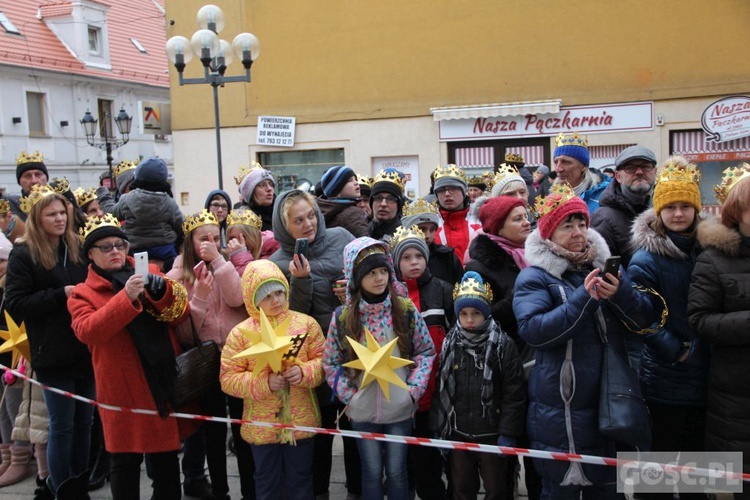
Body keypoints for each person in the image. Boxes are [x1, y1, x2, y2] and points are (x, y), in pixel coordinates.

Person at [512, 183, 662, 499]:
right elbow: (535, 331)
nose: (578, 231)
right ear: (549, 232)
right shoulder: (535, 277)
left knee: (610, 487)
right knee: (562, 488)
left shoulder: (605, 267)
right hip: (562, 405)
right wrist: (584, 298)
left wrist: (620, 293)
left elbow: (643, 321)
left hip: (611, 397)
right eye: (567, 225)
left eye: (582, 223)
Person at [67, 213, 194, 500]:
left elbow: (182, 315)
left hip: (157, 387)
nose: (115, 251)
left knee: (165, 462)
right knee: (123, 464)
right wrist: (125, 299)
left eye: (119, 245)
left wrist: (163, 294)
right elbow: (88, 332)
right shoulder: (82, 293)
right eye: (106, 247)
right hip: (121, 392)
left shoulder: (148, 271)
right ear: (90, 255)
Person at [323, 237, 436, 500]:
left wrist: (413, 391)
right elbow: (330, 362)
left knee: (397, 472)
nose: (379, 278)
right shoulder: (343, 317)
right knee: (371, 472)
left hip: (400, 410)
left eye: (383, 271)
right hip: (363, 413)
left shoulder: (405, 310)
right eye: (371, 273)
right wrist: (350, 396)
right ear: (356, 277)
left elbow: (425, 351)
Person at [268, 189, 360, 499]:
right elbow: (289, 318)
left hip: (351, 351)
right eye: (298, 220)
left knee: (354, 429)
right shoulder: (277, 263)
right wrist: (302, 281)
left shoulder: (341, 237)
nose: (309, 224)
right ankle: (319, 492)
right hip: (312, 359)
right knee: (318, 434)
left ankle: (357, 489)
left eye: (311, 215)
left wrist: (352, 287)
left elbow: (374, 276)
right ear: (284, 226)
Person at [628, 158, 709, 500]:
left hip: (708, 376)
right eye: (671, 206)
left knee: (700, 473)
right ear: (659, 210)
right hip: (664, 378)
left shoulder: (710, 249)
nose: (678, 214)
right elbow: (639, 318)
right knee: (657, 472)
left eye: (685, 206)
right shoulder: (645, 259)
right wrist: (676, 350)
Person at [4, 184, 93, 496]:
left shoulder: (77, 248)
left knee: (85, 424)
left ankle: (78, 485)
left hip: (84, 348)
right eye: (51, 214)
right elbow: (14, 304)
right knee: (62, 425)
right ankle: (60, 488)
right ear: (37, 219)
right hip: (51, 352)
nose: (59, 219)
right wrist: (61, 295)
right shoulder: (23, 253)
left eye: (62, 213)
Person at [221, 259, 325, 499]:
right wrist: (263, 383)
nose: (276, 300)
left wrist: (304, 372)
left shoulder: (306, 324)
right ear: (253, 299)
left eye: (279, 292)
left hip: (300, 420)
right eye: (267, 296)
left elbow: (323, 362)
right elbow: (228, 378)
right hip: (262, 425)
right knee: (267, 480)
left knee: (300, 478)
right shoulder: (241, 334)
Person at [167, 210, 250, 500]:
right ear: (189, 243)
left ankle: (250, 489)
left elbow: (237, 298)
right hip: (206, 362)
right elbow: (185, 333)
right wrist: (199, 295)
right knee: (212, 432)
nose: (211, 243)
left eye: (216, 238)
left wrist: (219, 260)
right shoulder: (177, 276)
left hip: (237, 357)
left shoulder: (227, 265)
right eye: (204, 239)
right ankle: (220, 491)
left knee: (242, 429)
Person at [465, 195, 541, 499]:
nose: (526, 223)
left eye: (526, 216)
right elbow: (479, 318)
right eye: (517, 218)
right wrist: (524, 292)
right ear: (498, 226)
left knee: (538, 449)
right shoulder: (480, 267)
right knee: (508, 447)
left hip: (537, 360)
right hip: (504, 367)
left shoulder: (536, 254)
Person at [434, 271, 525, 500]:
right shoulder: (450, 344)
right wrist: (440, 428)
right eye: (463, 314)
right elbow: (441, 389)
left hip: (492, 434)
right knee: (462, 488)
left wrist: (507, 432)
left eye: (476, 313)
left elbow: (513, 394)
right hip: (459, 431)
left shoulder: (503, 345)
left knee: (496, 490)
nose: (470, 320)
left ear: (486, 313)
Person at [688, 162, 750, 495]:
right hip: (736, 397)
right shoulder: (713, 260)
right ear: (737, 213)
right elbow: (700, 320)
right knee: (736, 482)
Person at [390, 226, 453, 499]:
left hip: (440, 390)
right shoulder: (390, 298)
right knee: (415, 461)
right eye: (406, 257)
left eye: (419, 256)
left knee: (445, 460)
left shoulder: (444, 291)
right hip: (405, 392)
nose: (414, 262)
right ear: (396, 262)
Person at [97, 157, 184, 272]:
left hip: (135, 251)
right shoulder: (168, 202)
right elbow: (181, 226)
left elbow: (111, 213)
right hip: (165, 251)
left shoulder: (127, 199)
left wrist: (103, 193)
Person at [590, 145, 658, 267]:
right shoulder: (603, 218)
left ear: (655, 172)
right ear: (618, 176)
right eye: (630, 168)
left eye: (645, 166)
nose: (639, 172)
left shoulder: (665, 210)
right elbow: (602, 271)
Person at [401, 199, 463, 286]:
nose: (427, 235)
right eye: (422, 229)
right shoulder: (396, 258)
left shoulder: (447, 257)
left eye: (432, 230)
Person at [432, 164, 481, 265]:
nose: (447, 194)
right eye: (441, 190)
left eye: (453, 188)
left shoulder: (481, 218)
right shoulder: (431, 223)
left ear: (464, 191)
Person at [552, 132, 609, 213]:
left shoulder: (604, 197)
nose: (558, 169)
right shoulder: (552, 197)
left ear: (584, 166)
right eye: (555, 162)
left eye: (565, 162)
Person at [317, 165, 369, 237]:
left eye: (355, 179)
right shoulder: (353, 213)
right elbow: (365, 243)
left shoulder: (320, 210)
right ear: (337, 191)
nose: (356, 183)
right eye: (350, 180)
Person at [225, 209, 279, 275]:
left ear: (254, 237)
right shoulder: (229, 258)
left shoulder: (270, 255)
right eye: (232, 238)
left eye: (243, 237)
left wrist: (240, 256)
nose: (237, 244)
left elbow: (254, 279)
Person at [5, 151, 50, 221]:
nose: (34, 181)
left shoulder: (61, 204)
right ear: (19, 182)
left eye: (38, 174)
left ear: (46, 178)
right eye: (27, 176)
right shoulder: (10, 208)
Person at [368, 168, 407, 240]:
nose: (383, 204)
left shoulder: (404, 237)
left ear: (398, 205)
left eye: (390, 199)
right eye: (379, 198)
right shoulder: (361, 233)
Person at [236, 163, 276, 231]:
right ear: (251, 192)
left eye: (271, 184)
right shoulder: (243, 221)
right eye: (263, 185)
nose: (269, 188)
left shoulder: (283, 213)